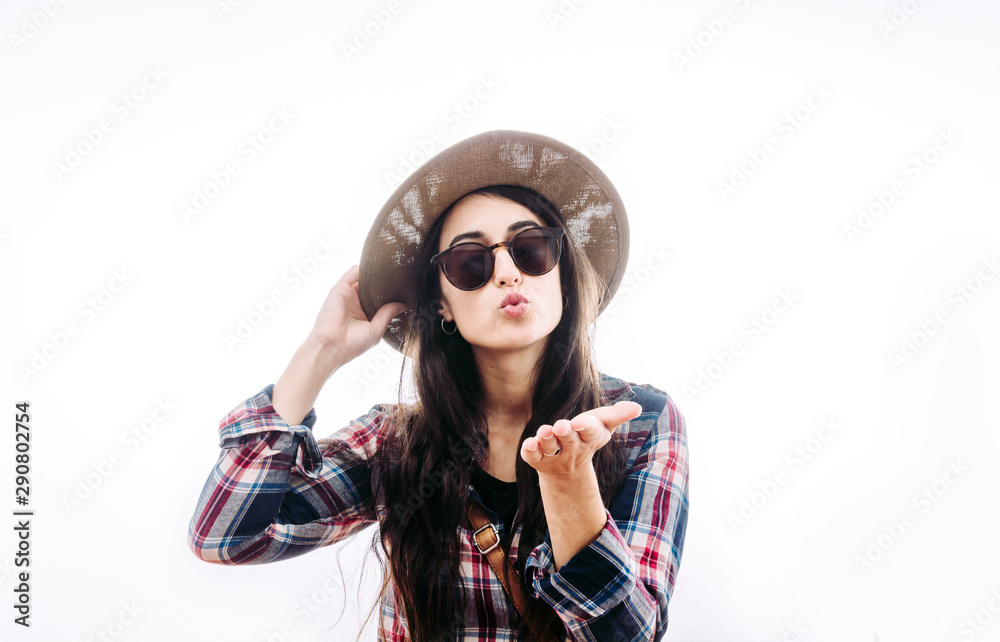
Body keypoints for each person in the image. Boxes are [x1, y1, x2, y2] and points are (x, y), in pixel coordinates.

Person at [187, 130, 689, 641]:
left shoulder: (638, 421)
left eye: (531, 249)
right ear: (442, 304)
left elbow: (631, 634)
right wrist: (321, 352)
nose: (508, 273)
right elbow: (227, 535)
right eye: (471, 262)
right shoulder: (395, 442)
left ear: (562, 274)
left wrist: (568, 485)